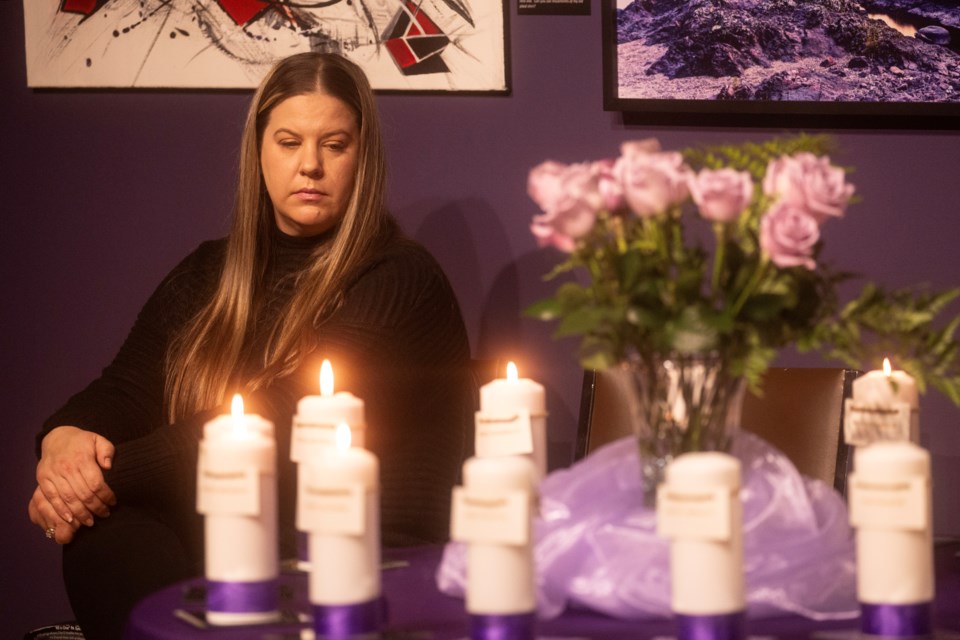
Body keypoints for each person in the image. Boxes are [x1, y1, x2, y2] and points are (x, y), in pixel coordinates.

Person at [27, 52, 473, 640]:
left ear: (362, 156)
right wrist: (62, 445)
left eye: (334, 145)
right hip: (232, 539)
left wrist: (96, 481)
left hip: (360, 556)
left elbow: (286, 415)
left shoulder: (400, 276)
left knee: (111, 510)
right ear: (258, 150)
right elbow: (127, 388)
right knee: (103, 534)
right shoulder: (209, 271)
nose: (309, 165)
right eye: (289, 141)